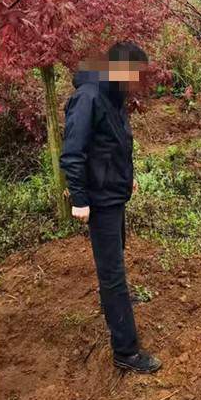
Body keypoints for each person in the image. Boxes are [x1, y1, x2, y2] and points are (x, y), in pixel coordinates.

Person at [60, 42, 162, 373]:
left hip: (113, 192)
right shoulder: (88, 96)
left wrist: (126, 177)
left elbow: (115, 144)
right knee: (112, 272)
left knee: (117, 253)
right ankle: (126, 352)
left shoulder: (113, 96)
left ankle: (117, 305)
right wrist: (79, 199)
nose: (138, 81)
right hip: (99, 200)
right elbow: (73, 152)